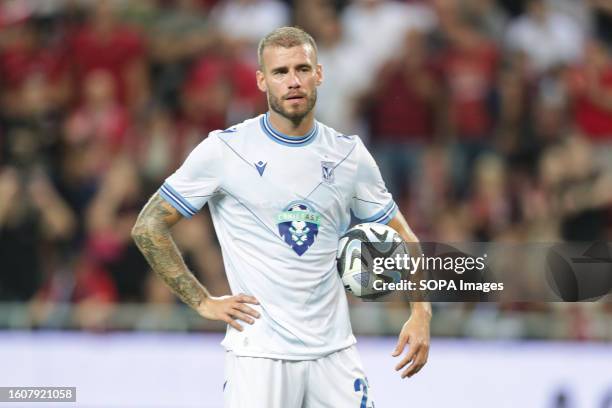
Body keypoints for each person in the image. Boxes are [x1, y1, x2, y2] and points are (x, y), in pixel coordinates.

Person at [131, 26, 431, 408]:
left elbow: (402, 234)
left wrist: (420, 312)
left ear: (319, 74)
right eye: (280, 72)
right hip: (260, 359)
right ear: (261, 80)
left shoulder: (348, 155)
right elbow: (149, 224)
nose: (293, 81)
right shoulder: (225, 150)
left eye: (302, 69)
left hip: (334, 355)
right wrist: (202, 301)